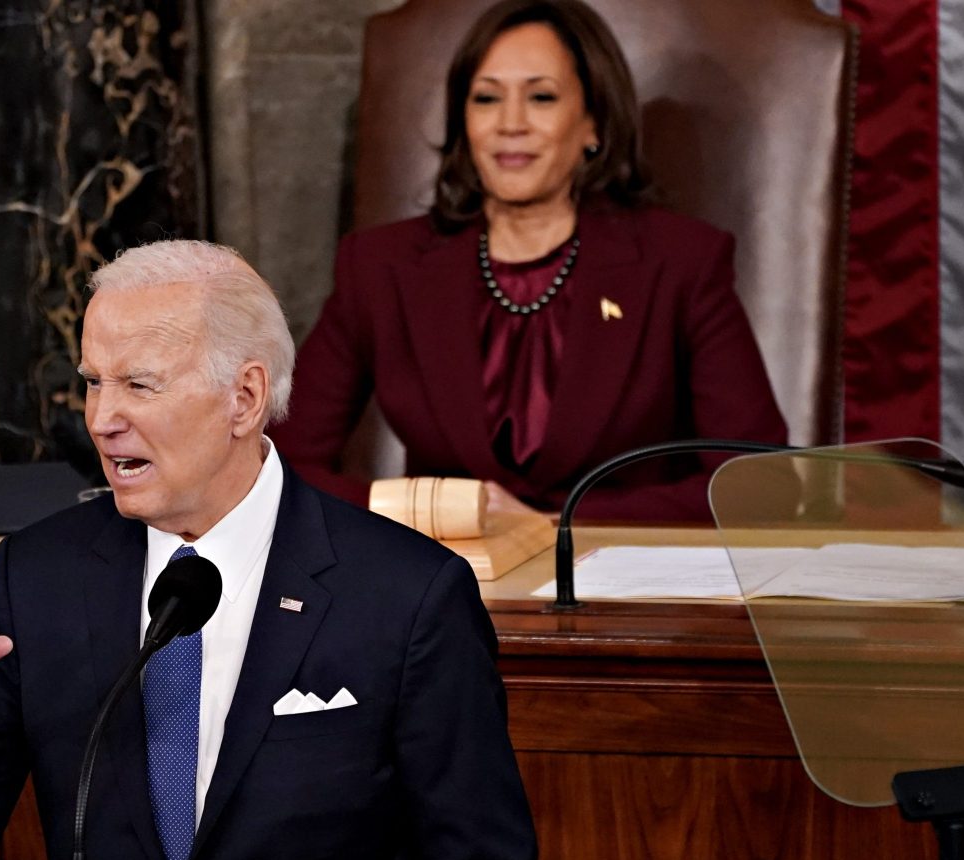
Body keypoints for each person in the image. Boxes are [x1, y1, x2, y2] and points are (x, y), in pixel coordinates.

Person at [0, 240, 541, 860]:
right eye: (93, 384)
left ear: (244, 398)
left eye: (140, 385)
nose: (103, 419)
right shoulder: (39, 576)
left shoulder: (406, 594)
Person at [272, 0, 788, 521]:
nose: (510, 124)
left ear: (594, 125)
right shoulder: (382, 268)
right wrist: (422, 513)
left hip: (612, 580)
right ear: (463, 122)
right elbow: (278, 466)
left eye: (541, 97)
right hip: (445, 576)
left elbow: (758, 485)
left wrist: (553, 526)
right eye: (486, 99)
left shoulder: (680, 263)